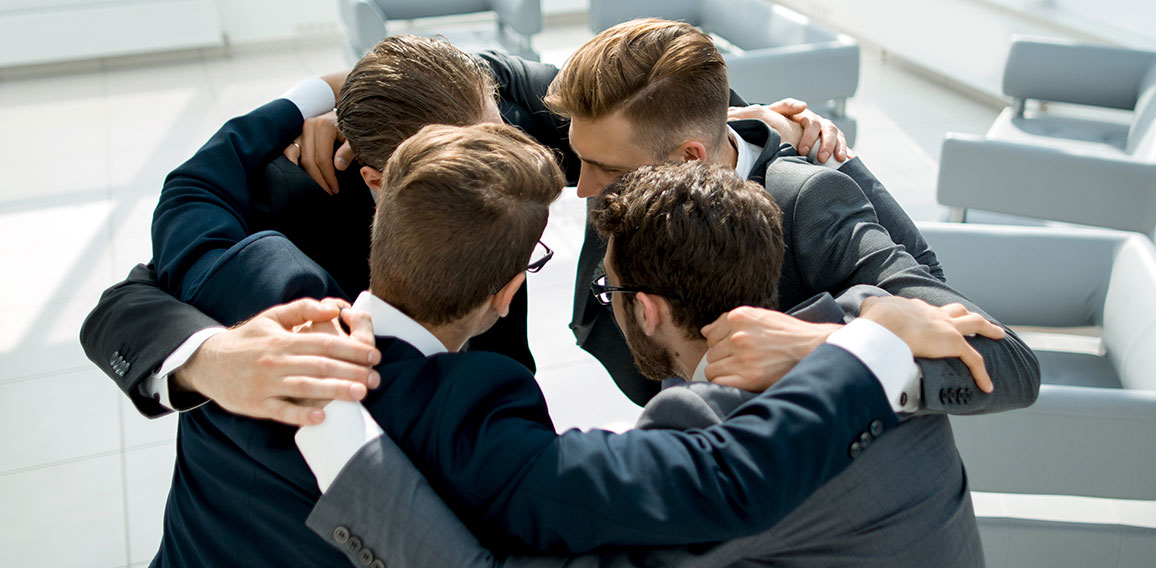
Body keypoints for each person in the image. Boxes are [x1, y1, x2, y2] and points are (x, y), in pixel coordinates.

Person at [149, 107, 998, 564]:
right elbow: (729, 481)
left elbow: (192, 192)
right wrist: (874, 338)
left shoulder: (253, 293)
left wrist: (316, 96)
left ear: (382, 211)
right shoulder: (486, 425)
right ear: (510, 286)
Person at [79, 34, 838, 425]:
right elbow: (127, 304)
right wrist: (210, 360)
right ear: (376, 179)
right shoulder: (294, 202)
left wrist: (758, 125)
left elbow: (657, 86)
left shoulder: (504, 122)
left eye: (495, 138)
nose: (501, 168)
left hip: (499, 398)